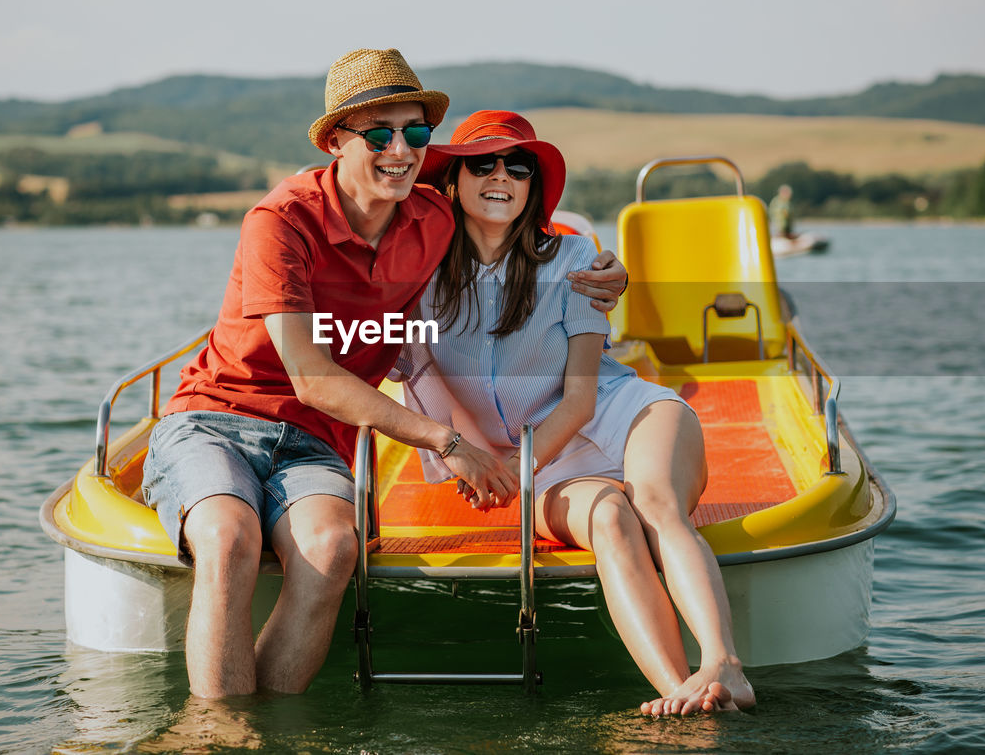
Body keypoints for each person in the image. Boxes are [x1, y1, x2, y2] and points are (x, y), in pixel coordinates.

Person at [141, 50, 628, 699]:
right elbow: (312, 378)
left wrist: (607, 274)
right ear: (335, 141)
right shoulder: (281, 221)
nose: (401, 150)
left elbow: (532, 234)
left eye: (416, 134)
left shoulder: (434, 219)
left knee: (334, 550)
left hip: (318, 441)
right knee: (230, 539)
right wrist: (448, 441)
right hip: (215, 418)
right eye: (380, 135)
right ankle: (220, 734)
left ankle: (269, 732)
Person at [394, 110, 756, 716]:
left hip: (614, 415)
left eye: (519, 166)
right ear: (453, 182)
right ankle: (678, 692)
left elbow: (584, 397)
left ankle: (723, 664)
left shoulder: (575, 258)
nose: (501, 175)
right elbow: (424, 376)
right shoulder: (418, 275)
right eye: (483, 163)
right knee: (612, 519)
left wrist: (508, 469)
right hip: (535, 465)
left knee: (656, 503)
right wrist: (470, 459)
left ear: (534, 186)